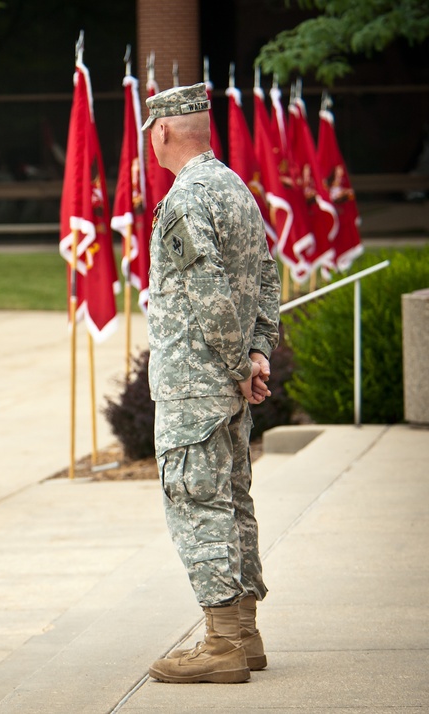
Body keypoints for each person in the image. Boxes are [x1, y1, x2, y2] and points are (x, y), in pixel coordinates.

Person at [141, 84, 281, 684]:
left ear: (164, 133)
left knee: (198, 504)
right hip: (226, 386)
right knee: (233, 503)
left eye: (152, 130)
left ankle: (221, 642)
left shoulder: (184, 200)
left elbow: (209, 296)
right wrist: (255, 354)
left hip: (195, 389)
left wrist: (236, 362)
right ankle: (244, 634)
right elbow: (269, 275)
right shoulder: (236, 190)